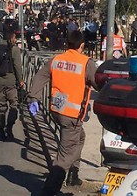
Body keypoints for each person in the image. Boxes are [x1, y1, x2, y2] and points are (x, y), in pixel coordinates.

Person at [28, 30, 97, 196]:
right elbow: (98, 83)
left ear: (67, 44)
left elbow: (40, 77)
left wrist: (33, 98)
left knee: (80, 138)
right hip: (72, 115)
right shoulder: (86, 63)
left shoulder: (56, 60)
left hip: (56, 111)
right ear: (82, 46)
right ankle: (49, 190)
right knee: (64, 156)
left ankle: (73, 173)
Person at [0, 30, 24, 141]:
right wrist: (20, 80)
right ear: (11, 38)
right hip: (11, 82)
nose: (16, 40)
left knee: (1, 108)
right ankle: (9, 127)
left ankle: (1, 129)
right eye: (15, 37)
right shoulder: (15, 50)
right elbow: (17, 66)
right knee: (14, 105)